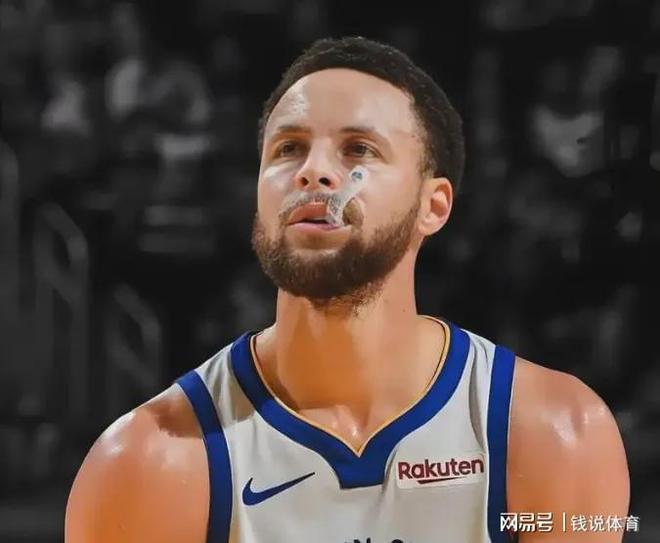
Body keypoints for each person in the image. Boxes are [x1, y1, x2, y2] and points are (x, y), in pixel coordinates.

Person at [65, 37, 629, 543]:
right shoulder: (147, 463)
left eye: (359, 149)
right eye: (287, 148)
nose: (313, 172)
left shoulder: (558, 432)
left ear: (433, 206)